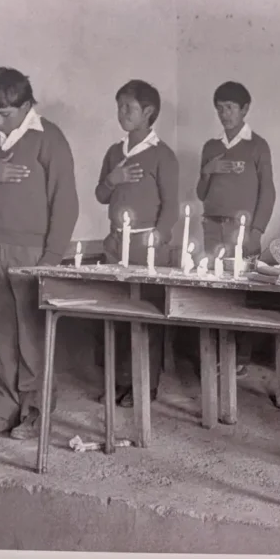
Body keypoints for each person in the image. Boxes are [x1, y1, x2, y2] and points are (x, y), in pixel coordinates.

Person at [0, 67, 78, 440]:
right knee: (2, 333)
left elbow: (66, 203)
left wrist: (51, 258)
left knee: (32, 336)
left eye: (4, 113)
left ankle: (35, 411)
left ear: (26, 105)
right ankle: (5, 408)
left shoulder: (49, 138)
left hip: (33, 250)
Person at [94, 79, 179, 406]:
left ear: (148, 111)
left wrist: (160, 237)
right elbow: (101, 195)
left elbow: (170, 206)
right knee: (115, 314)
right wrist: (112, 179)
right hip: (116, 244)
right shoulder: (114, 153)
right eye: (119, 107)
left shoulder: (162, 155)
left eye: (128, 107)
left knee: (145, 317)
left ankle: (145, 384)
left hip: (147, 247)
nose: (122, 113)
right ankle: (119, 380)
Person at [196, 81, 276, 374]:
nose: (224, 114)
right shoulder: (211, 147)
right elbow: (201, 193)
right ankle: (216, 353)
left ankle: (240, 358)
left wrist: (257, 231)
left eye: (230, 108)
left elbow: (268, 193)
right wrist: (208, 171)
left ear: (244, 109)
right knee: (215, 290)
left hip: (242, 231)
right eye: (219, 108)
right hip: (212, 227)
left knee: (241, 291)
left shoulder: (257, 145)